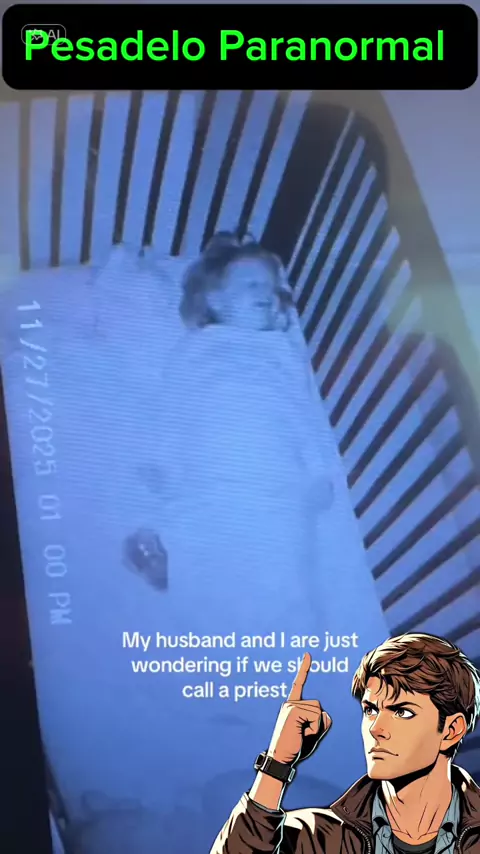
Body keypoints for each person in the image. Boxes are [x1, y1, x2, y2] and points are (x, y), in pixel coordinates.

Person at [210, 632, 480, 854]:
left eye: (402, 712)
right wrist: (277, 763)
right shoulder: (316, 838)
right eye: (370, 710)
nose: (376, 728)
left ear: (451, 730)